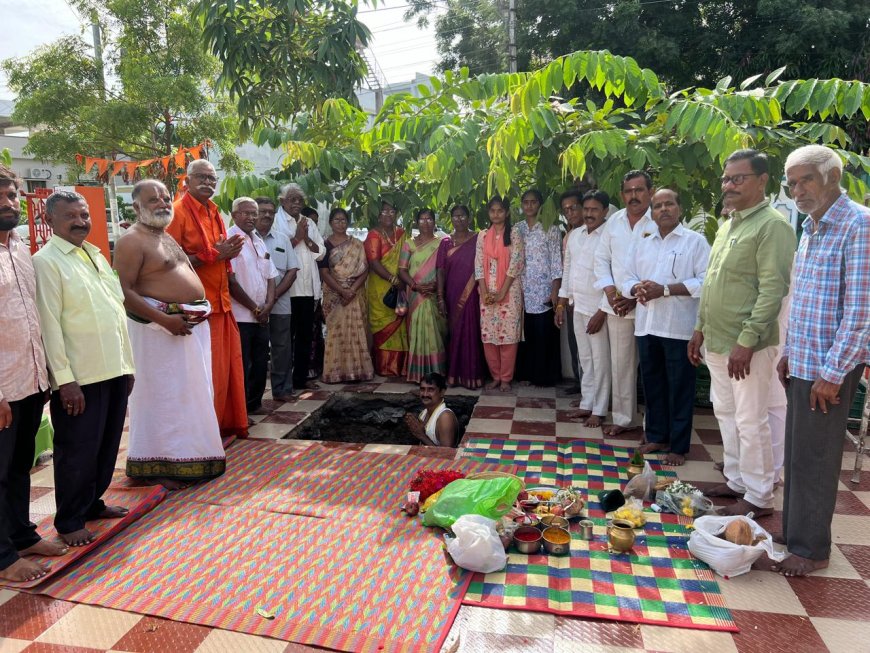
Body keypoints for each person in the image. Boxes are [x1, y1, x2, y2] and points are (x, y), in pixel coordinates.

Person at [773, 145, 869, 576]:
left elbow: (861, 310)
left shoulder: (859, 224)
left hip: (829, 368)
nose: (797, 190)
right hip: (804, 362)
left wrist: (832, 374)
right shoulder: (812, 227)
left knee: (817, 457)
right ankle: (795, 530)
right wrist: (788, 353)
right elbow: (805, 299)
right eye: (792, 182)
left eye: (805, 179)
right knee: (797, 454)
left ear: (832, 176)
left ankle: (811, 549)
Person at [688, 149, 796, 518]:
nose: (728, 186)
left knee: (751, 419)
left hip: (746, 345)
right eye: (726, 178)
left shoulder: (773, 226)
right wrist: (699, 329)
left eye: (738, 178)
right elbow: (712, 283)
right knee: (726, 413)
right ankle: (736, 480)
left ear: (762, 180)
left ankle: (760, 494)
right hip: (716, 341)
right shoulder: (728, 225)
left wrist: (746, 341)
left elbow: (773, 290)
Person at [33, 190, 135, 547]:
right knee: (77, 448)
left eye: (84, 215)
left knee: (106, 445)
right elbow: (49, 324)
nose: (80, 222)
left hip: (113, 369)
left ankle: (93, 503)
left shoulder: (94, 255)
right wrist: (65, 381)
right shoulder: (46, 261)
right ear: (49, 221)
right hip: (80, 377)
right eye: (70, 217)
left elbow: (115, 312)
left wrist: (128, 366)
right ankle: (70, 519)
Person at [113, 180, 225, 490]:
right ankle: (153, 466)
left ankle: (185, 458)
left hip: (185, 329)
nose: (163, 203)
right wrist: (164, 319)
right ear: (136, 207)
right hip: (156, 333)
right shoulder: (131, 241)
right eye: (153, 200)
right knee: (160, 396)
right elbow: (122, 290)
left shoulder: (163, 236)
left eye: (165, 198)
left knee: (186, 395)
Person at [0, 165, 68, 581]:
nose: (7, 203)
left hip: (29, 379)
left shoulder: (19, 248)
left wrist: (43, 374)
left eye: (11, 195)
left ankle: (22, 535)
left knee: (19, 465)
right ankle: (3, 558)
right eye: (0, 196)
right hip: (2, 388)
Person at [624, 189, 710, 465]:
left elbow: (706, 281)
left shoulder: (695, 242)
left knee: (680, 387)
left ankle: (678, 446)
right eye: (658, 205)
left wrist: (666, 290)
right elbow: (627, 276)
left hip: (679, 327)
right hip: (647, 325)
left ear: (679, 208)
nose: (663, 209)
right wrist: (635, 287)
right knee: (653, 384)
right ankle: (657, 436)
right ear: (652, 211)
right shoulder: (644, 243)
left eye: (669, 204)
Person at [166, 159, 248, 438]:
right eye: (201, 177)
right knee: (204, 375)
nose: (208, 183)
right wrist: (214, 254)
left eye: (212, 179)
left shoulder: (215, 213)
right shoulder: (177, 213)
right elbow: (168, 263)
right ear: (186, 181)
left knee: (225, 372)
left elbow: (221, 257)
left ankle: (221, 426)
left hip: (222, 305)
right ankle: (201, 433)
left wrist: (226, 255)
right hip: (196, 309)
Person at [594, 171, 655, 436]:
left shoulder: (659, 221)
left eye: (639, 190)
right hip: (616, 305)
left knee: (653, 368)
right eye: (629, 191)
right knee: (621, 365)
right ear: (622, 195)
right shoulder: (614, 222)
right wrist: (609, 292)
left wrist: (634, 298)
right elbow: (601, 259)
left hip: (651, 306)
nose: (634, 195)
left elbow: (663, 262)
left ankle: (653, 425)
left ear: (650, 192)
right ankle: (623, 418)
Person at [556, 190, 611, 428]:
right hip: (577, 306)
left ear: (605, 211)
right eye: (586, 209)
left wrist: (603, 310)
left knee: (600, 360)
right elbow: (568, 271)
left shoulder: (609, 236)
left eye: (593, 209)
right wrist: (562, 302)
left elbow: (615, 275)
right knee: (585, 359)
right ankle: (587, 404)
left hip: (599, 310)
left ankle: (599, 410)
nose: (589, 214)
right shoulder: (575, 236)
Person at [227, 197, 278, 415]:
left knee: (260, 362)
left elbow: (270, 276)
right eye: (246, 213)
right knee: (242, 365)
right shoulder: (230, 240)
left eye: (253, 213)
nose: (251, 217)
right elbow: (231, 281)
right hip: (241, 316)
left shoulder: (258, 239)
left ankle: (255, 403)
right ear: (234, 215)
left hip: (262, 315)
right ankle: (241, 408)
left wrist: (268, 305)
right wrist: (255, 309)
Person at [274, 184, 325, 391]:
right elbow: (279, 254)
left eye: (300, 200)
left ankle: (300, 379)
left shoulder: (308, 223)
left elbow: (321, 252)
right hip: (287, 288)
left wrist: (306, 239)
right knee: (284, 338)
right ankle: (283, 383)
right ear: (282, 201)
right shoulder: (276, 222)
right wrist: (296, 238)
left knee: (305, 335)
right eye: (292, 199)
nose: (296, 204)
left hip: (308, 288)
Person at [318, 208, 374, 383]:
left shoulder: (356, 244)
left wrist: (352, 290)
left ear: (347, 222)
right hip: (334, 294)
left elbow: (364, 270)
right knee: (336, 332)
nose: (340, 223)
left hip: (355, 293)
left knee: (357, 331)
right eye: (336, 220)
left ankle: (359, 371)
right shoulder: (325, 245)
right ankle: (335, 372)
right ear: (330, 223)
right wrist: (342, 290)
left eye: (343, 220)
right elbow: (324, 273)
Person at [475, 196, 525, 392]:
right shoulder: (482, 235)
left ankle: (506, 378)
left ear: (507, 212)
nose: (496, 214)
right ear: (489, 213)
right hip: (486, 292)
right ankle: (495, 376)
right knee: (489, 336)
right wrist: (485, 291)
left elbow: (516, 263)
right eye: (493, 210)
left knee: (508, 336)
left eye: (500, 210)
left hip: (509, 291)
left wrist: (502, 291)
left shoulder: (514, 233)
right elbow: (478, 264)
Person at [515, 189, 562, 387]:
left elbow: (556, 260)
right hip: (522, 289)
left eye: (534, 202)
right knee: (528, 335)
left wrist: (555, 291)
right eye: (526, 202)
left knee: (545, 334)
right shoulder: (517, 229)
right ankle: (529, 374)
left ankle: (547, 377)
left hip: (544, 289)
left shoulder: (550, 227)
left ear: (540, 204)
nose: (529, 206)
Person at [436, 204, 486, 389]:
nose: (459, 219)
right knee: (455, 333)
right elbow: (440, 270)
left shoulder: (478, 238)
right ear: (451, 219)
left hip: (473, 293)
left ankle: (473, 375)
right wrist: (440, 297)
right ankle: (454, 376)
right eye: (455, 216)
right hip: (452, 294)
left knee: (472, 333)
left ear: (469, 217)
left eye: (463, 215)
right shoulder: (446, 242)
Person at [254, 197, 299, 401]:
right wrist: (263, 302)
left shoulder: (282, 239)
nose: (266, 215)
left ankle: (282, 390)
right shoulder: (244, 239)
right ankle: (253, 395)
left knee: (282, 347)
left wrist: (273, 297)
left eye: (271, 212)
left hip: (280, 302)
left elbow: (292, 271)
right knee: (256, 350)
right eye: (262, 211)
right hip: (252, 306)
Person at [398, 208, 447, 382]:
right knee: (418, 330)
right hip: (415, 294)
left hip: (434, 293)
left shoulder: (442, 243)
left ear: (434, 222)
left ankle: (436, 370)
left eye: (429, 219)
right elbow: (402, 270)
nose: (425, 223)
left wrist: (435, 286)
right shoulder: (409, 244)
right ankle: (418, 372)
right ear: (417, 222)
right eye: (422, 219)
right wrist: (415, 286)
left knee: (434, 331)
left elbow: (443, 269)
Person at [365, 200, 409, 377]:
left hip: (400, 286)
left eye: (392, 211)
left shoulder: (402, 234)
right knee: (382, 325)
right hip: (380, 289)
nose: (388, 215)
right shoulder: (373, 235)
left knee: (400, 324)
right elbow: (373, 263)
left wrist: (402, 281)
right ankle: (384, 367)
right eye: (384, 212)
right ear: (378, 215)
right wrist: (392, 279)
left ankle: (399, 366)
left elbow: (407, 259)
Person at [558, 190, 586, 396]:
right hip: (571, 300)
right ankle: (580, 382)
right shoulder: (569, 235)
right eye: (566, 210)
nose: (570, 213)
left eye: (573, 207)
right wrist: (562, 301)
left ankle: (590, 390)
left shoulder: (595, 232)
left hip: (589, 301)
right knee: (574, 342)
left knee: (589, 350)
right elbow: (566, 270)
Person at [403, 373, 459, 448]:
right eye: (422, 389)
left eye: (430, 390)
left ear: (442, 392)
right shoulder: (424, 413)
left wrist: (421, 435)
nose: (425, 394)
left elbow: (446, 455)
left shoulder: (445, 417)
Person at [302, 206, 325, 380]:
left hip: (317, 292)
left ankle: (314, 368)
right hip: (299, 292)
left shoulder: (317, 241)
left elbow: (320, 257)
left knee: (315, 333)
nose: (314, 224)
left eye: (316, 222)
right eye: (311, 221)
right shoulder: (291, 237)